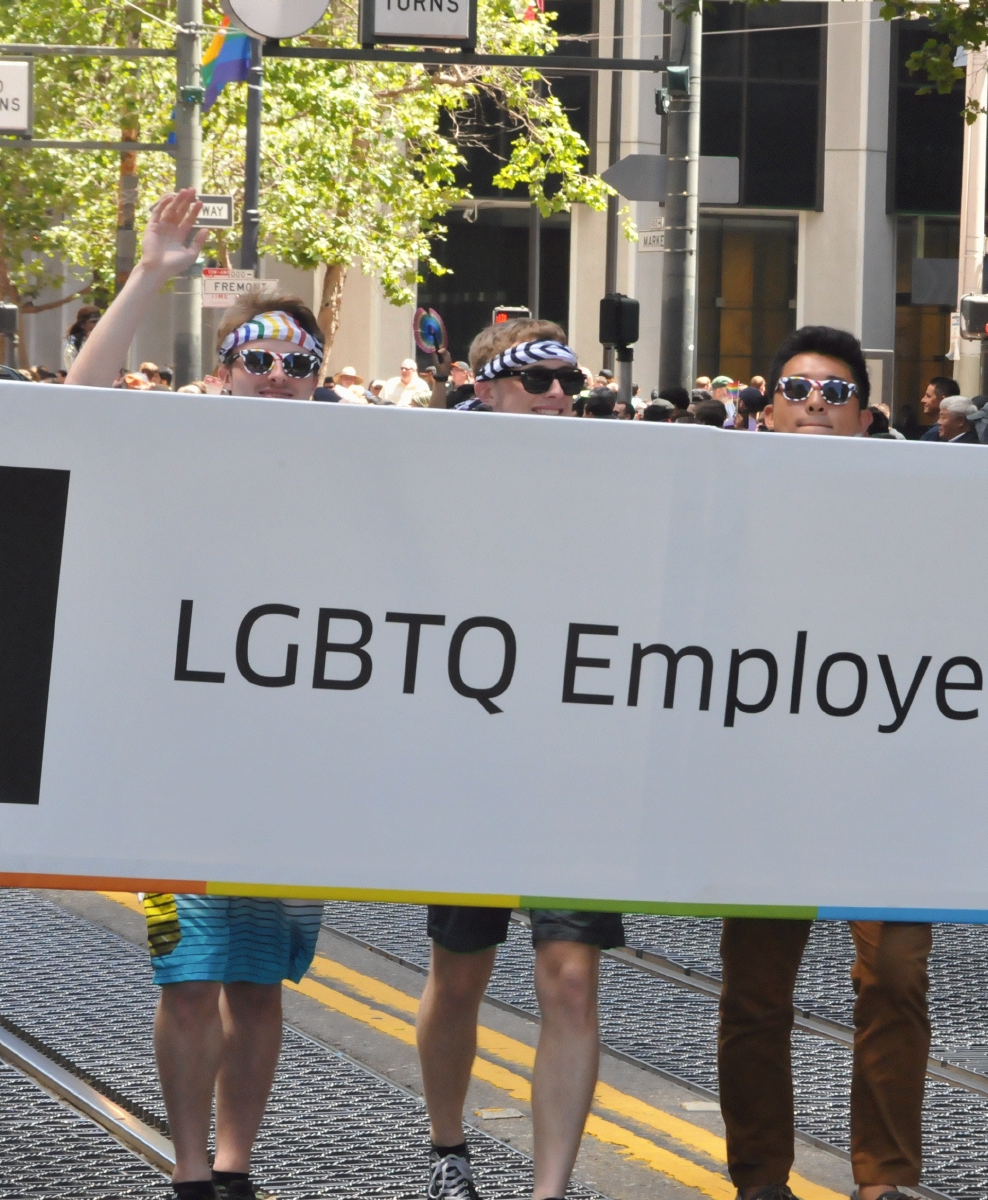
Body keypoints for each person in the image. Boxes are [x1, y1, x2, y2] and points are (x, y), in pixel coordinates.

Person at [63, 192, 326, 1200]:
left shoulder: (361, 459)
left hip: (290, 775)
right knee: (188, 983)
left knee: (258, 988)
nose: (274, 376)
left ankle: (235, 1168)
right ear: (225, 369)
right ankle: (185, 1172)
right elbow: (77, 407)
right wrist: (150, 274)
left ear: (317, 380)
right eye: (257, 359)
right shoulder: (178, 437)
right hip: (181, 768)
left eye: (296, 363)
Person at [724, 327, 930, 1200]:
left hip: (889, 786)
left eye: (835, 393)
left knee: (894, 978)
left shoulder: (921, 502)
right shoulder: (720, 498)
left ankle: (885, 1181)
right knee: (757, 996)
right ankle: (760, 1178)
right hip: (765, 787)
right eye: (798, 389)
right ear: (768, 410)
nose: (815, 402)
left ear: (865, 418)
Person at [419, 319, 616, 1200]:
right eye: (537, 381)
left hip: (575, 770)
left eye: (568, 381)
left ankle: (550, 1190)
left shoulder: (617, 478)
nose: (558, 396)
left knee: (570, 979)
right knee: (459, 975)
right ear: (485, 388)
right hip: (469, 767)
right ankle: (448, 1147)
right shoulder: (437, 472)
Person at [64, 304, 102, 368]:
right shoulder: (73, 346)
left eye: (100, 321)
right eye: (94, 322)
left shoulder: (106, 341)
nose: (98, 325)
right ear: (82, 325)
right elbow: (73, 372)